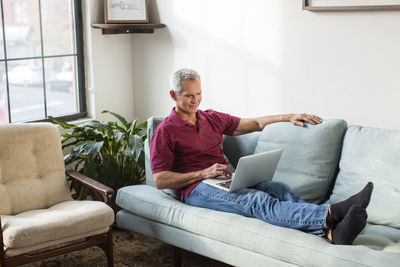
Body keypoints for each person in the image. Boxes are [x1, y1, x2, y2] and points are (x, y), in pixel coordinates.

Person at [150, 68, 373, 245]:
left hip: (223, 180)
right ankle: (331, 213)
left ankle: (332, 235)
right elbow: (160, 180)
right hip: (196, 189)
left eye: (199, 94)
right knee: (256, 200)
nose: (195, 101)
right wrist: (203, 173)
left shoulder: (211, 118)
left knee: (278, 189)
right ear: (173, 95)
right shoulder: (166, 130)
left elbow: (255, 123)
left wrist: (289, 116)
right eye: (189, 96)